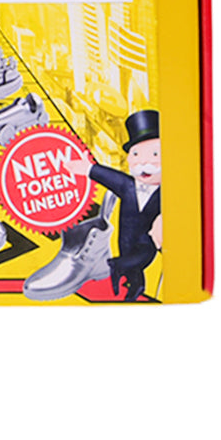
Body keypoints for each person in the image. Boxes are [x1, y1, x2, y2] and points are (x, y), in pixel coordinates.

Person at [65, 109, 162, 301]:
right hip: (125, 240)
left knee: (135, 259)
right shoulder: (127, 185)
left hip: (147, 243)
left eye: (154, 154)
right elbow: (108, 177)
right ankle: (136, 285)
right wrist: (88, 168)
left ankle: (115, 266)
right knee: (132, 268)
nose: (144, 163)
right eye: (136, 154)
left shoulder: (166, 191)